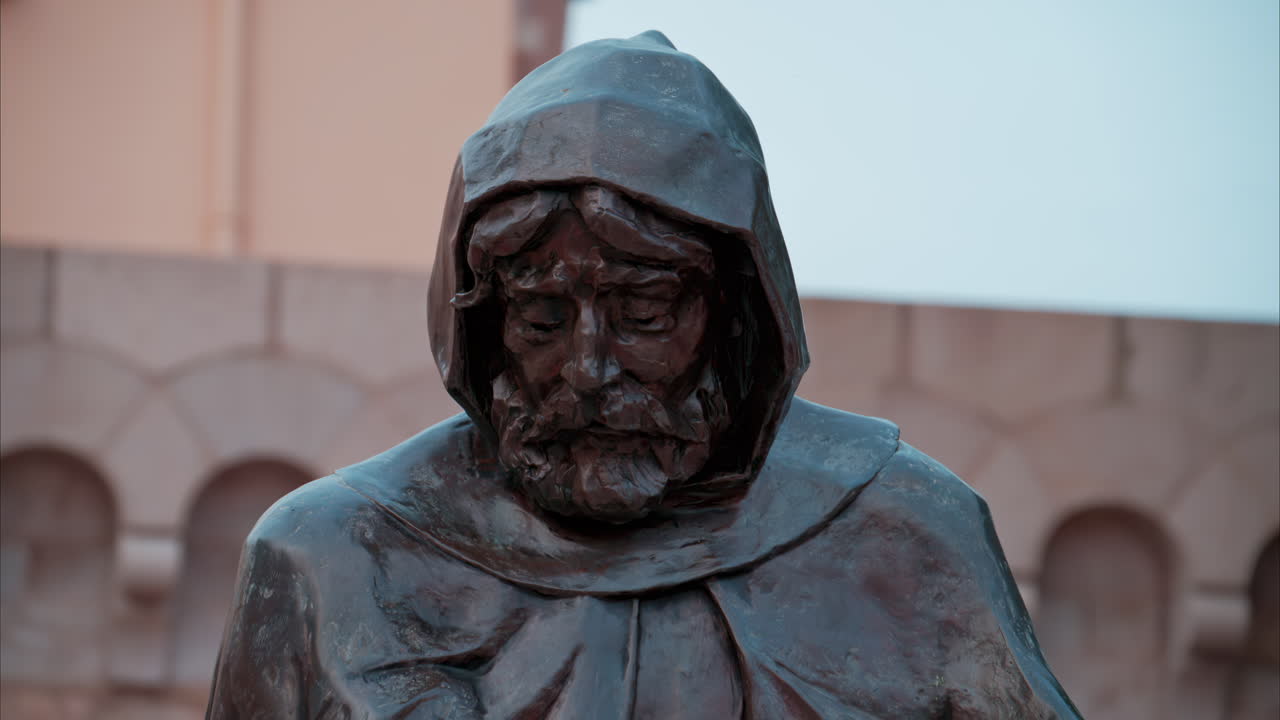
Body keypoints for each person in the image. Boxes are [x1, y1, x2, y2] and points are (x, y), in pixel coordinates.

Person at [207, 31, 1081, 719]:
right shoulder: (328, 558)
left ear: (732, 317)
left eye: (644, 315)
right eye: (543, 319)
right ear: (484, 322)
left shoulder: (908, 538)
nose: (585, 369)